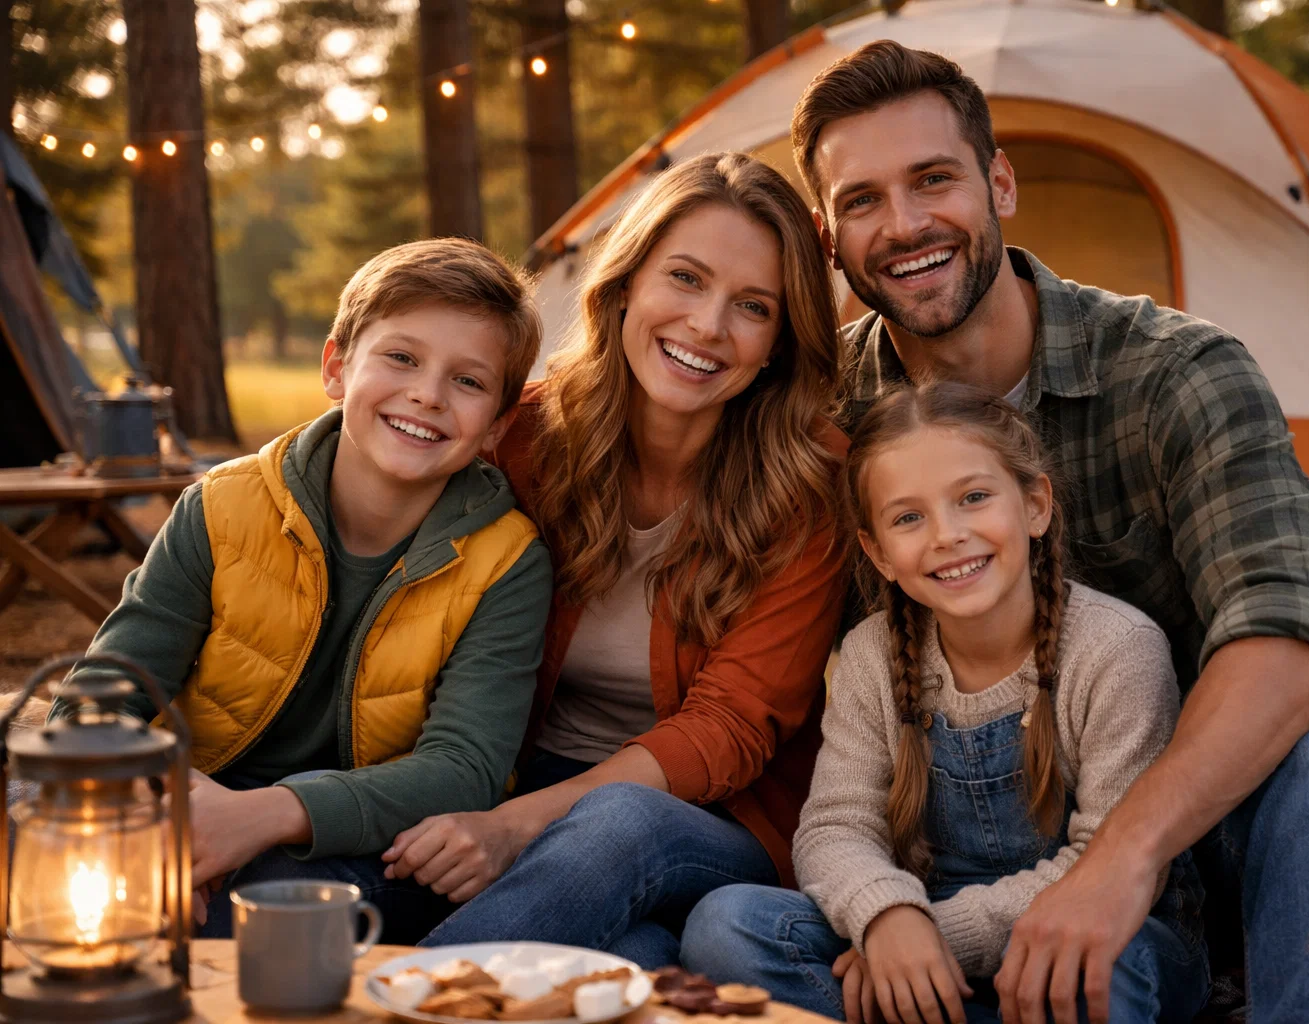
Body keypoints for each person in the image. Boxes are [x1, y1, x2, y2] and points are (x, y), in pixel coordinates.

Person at [783, 40, 1309, 1024]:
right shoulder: (816, 417)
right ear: (827, 234)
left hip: (1194, 833)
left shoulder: (1177, 372)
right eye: (862, 200)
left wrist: (1120, 860)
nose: (904, 225)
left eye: (934, 180)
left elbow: (1293, 640)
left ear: (1000, 181)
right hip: (947, 865)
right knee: (734, 927)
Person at [386, 152, 849, 968]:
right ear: (626, 281)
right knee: (629, 955)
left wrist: (515, 828)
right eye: (685, 278)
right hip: (520, 781)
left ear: (779, 343)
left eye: (752, 307)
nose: (708, 325)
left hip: (709, 819)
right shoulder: (525, 437)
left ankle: (405, 1005)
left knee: (618, 826)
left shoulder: (811, 485)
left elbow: (731, 725)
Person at [52, 238, 554, 944]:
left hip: (362, 840)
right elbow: (108, 687)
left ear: (497, 425)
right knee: (47, 848)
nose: (427, 395)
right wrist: (150, 815)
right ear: (336, 367)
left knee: (265, 915)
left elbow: (462, 769)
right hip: (185, 798)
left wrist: (260, 817)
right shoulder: (222, 508)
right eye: (401, 358)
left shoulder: (507, 562)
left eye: (468, 382)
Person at [682, 383, 1209, 1024]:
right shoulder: (872, 654)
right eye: (908, 517)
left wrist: (936, 935)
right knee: (727, 925)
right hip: (917, 941)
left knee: (1087, 974)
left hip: (1096, 932)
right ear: (877, 552)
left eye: (974, 498)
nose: (948, 535)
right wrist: (887, 916)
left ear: (1036, 504)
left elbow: (1109, 863)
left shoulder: (1116, 649)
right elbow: (836, 826)